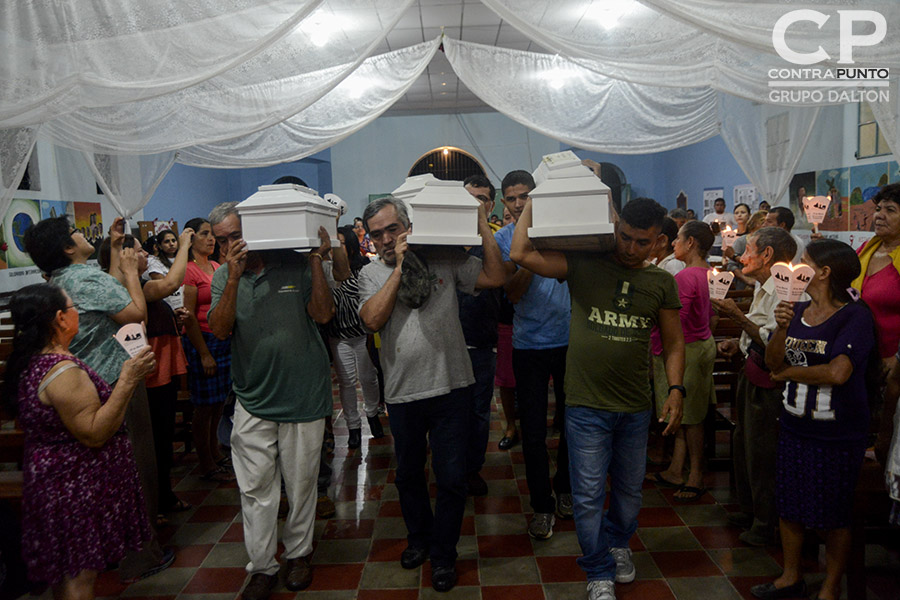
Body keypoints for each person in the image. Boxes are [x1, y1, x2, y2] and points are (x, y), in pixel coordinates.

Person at [510, 196, 685, 600]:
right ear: (615, 227)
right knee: (588, 495)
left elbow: (674, 344)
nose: (630, 248)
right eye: (624, 237)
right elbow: (520, 253)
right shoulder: (585, 266)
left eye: (642, 242)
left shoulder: (661, 282)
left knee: (628, 490)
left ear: (658, 242)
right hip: (586, 406)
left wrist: (675, 389)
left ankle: (619, 544)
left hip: (636, 406)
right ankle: (598, 569)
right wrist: (534, 201)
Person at [357, 195, 505, 592]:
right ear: (370, 239)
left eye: (393, 229)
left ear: (409, 225)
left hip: (452, 386)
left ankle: (444, 555)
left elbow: (496, 276)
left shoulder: (445, 258)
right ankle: (419, 540)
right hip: (403, 393)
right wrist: (402, 266)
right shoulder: (370, 274)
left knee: (453, 478)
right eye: (377, 234)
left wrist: (480, 223)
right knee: (408, 475)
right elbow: (372, 319)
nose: (387, 238)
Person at [23, 216, 173, 582]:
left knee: (105, 476)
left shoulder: (59, 280)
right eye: (76, 232)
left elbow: (108, 298)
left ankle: (110, 552)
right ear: (68, 248)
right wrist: (129, 271)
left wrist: (115, 259)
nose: (82, 233)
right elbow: (134, 314)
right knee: (138, 469)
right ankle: (142, 556)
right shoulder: (84, 277)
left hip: (82, 385)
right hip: (112, 383)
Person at [207, 201, 334, 600]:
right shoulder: (224, 277)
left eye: (236, 235)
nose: (232, 245)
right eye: (222, 240)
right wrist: (231, 278)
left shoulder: (294, 264)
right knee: (256, 489)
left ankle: (298, 553)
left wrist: (315, 260)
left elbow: (324, 313)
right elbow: (221, 329)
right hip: (252, 397)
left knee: (301, 484)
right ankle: (261, 566)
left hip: (302, 393)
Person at [3, 283, 157, 600]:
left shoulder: (36, 359)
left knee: (67, 572)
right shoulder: (62, 371)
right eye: (74, 307)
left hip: (57, 481)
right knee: (78, 579)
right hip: (73, 488)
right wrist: (128, 379)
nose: (78, 313)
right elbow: (94, 431)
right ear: (61, 318)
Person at [754, 240, 878, 600]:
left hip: (837, 432)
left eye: (805, 263)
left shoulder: (855, 316)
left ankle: (830, 586)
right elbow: (773, 363)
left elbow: (839, 372)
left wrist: (789, 374)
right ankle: (791, 576)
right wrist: (780, 327)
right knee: (789, 504)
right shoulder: (797, 309)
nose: (796, 267)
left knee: (835, 512)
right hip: (795, 425)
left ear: (824, 272)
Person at [494, 170, 573, 540]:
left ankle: (567, 490)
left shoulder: (563, 230)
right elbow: (511, 294)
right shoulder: (504, 239)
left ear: (536, 195)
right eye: (512, 198)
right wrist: (527, 252)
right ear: (504, 202)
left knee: (574, 424)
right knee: (534, 432)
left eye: (525, 195)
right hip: (529, 345)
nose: (519, 203)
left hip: (571, 341)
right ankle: (542, 505)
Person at [100, 231, 196, 519]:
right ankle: (153, 504)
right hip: (148, 373)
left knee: (162, 436)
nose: (146, 256)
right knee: (153, 438)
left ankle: (162, 496)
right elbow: (170, 283)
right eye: (141, 252)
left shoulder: (137, 284)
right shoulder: (130, 287)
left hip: (160, 367)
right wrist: (185, 245)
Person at [713, 227, 797, 547]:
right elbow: (756, 332)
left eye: (749, 250)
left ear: (767, 255)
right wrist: (739, 341)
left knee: (762, 452)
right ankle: (748, 510)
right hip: (750, 371)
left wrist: (737, 317)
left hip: (770, 380)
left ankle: (765, 524)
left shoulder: (785, 290)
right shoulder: (764, 285)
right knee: (743, 444)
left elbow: (776, 341)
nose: (742, 256)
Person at [646, 221, 716, 502]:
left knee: (691, 416)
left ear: (691, 244)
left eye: (678, 238)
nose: (673, 243)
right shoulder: (708, 273)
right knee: (684, 415)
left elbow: (678, 321)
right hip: (699, 344)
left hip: (686, 349)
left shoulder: (686, 277)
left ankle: (696, 475)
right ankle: (676, 468)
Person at [459, 174, 503, 495]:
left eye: (482, 199)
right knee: (448, 413)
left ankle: (472, 469)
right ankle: (450, 467)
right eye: (469, 197)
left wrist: (482, 225)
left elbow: (499, 277)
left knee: (477, 413)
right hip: (447, 342)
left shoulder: (496, 239)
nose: (476, 204)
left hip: (482, 342)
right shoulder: (444, 238)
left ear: (490, 204)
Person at [181, 217, 234, 482]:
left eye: (213, 235)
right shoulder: (189, 270)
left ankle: (215, 451)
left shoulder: (215, 265)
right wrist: (203, 352)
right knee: (203, 406)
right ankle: (206, 462)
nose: (211, 239)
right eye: (205, 234)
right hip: (202, 339)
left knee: (218, 404)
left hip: (221, 338)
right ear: (191, 239)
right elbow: (188, 315)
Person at [325, 225, 383, 449]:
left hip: (363, 334)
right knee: (346, 383)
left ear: (349, 245)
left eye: (339, 243)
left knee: (369, 377)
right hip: (338, 335)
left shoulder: (364, 268)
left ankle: (372, 414)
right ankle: (353, 427)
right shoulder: (327, 269)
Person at [851, 183, 900, 367]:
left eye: (890, 210)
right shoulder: (866, 249)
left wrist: (897, 360)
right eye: (878, 209)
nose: (879, 215)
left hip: (890, 362)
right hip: (858, 354)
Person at [147, 229, 185, 310]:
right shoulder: (154, 262)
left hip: (184, 301)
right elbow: (165, 286)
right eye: (167, 242)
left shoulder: (182, 259)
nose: (171, 244)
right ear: (159, 246)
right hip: (167, 303)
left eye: (173, 241)